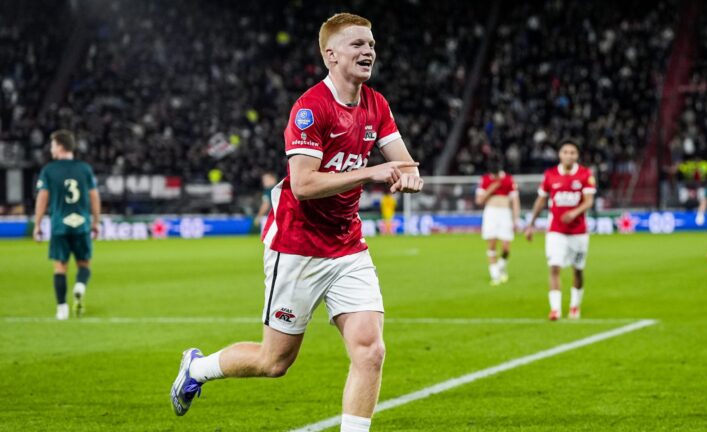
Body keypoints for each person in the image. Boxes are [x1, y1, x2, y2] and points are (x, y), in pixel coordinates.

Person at [170, 13, 423, 432]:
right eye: (357, 44)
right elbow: (304, 185)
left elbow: (405, 162)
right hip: (298, 243)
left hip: (347, 245)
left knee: (370, 351)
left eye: (372, 45)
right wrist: (372, 173)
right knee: (275, 362)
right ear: (331, 55)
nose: (368, 52)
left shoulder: (376, 104)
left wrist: (408, 175)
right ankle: (197, 369)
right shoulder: (310, 109)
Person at [524, 139, 596, 320]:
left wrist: (574, 213)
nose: (569, 155)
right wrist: (531, 224)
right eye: (565, 152)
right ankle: (555, 309)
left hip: (578, 232)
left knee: (577, 270)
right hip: (555, 230)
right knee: (554, 267)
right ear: (560, 154)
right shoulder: (550, 175)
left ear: (577, 155)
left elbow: (588, 201)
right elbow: (541, 200)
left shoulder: (585, 174)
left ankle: (574, 305)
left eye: (572, 152)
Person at [33, 130, 101, 320]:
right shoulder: (85, 169)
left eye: (53, 145)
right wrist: (96, 222)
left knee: (60, 267)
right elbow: (94, 196)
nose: (51, 148)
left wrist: (37, 224)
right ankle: (79, 287)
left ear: (61, 146)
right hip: (81, 224)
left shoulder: (49, 170)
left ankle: (61, 308)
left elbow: (42, 198)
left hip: (59, 225)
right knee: (84, 264)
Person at [475, 158, 521, 285]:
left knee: (506, 247)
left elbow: (515, 201)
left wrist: (516, 219)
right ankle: (495, 276)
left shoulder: (508, 179)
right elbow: (479, 201)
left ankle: (500, 267)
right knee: (492, 244)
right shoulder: (485, 180)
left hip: (505, 213)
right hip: (491, 213)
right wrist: (491, 188)